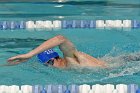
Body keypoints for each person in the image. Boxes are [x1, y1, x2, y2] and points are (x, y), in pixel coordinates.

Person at [7, 35, 106, 68]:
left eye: (50, 62)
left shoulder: (70, 60)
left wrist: (29, 55)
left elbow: (61, 38)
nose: (56, 62)